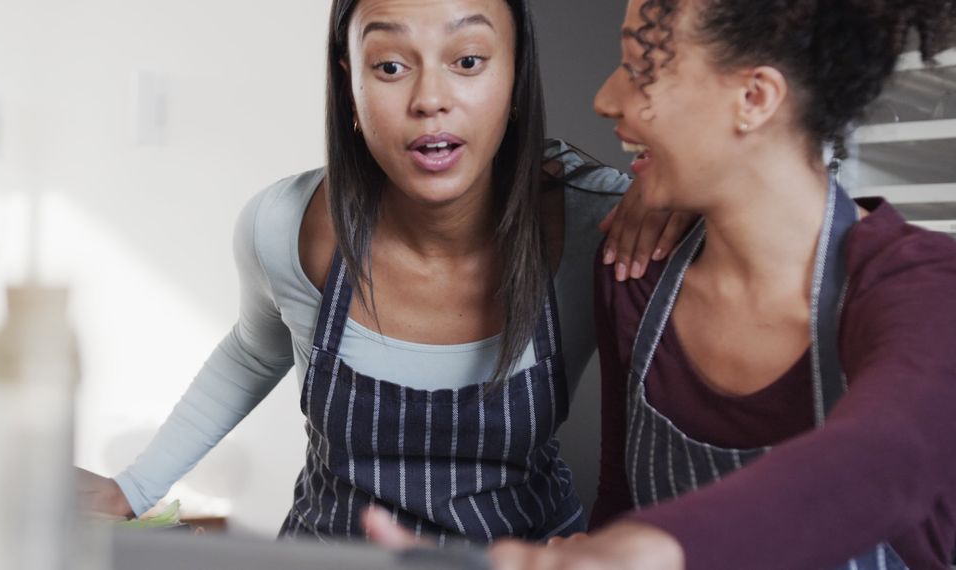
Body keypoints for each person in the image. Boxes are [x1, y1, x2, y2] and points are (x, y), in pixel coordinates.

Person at [79, 0, 690, 544]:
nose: (430, 99)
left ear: (516, 74)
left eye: (469, 60)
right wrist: (133, 488)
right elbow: (251, 353)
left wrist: (686, 190)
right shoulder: (284, 227)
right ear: (350, 84)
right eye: (391, 66)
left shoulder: (605, 228)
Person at [371, 0, 956, 567]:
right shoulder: (635, 272)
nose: (605, 99)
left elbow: (886, 455)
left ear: (753, 98)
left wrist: (646, 549)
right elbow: (619, 501)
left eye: (638, 66)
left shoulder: (921, 285)